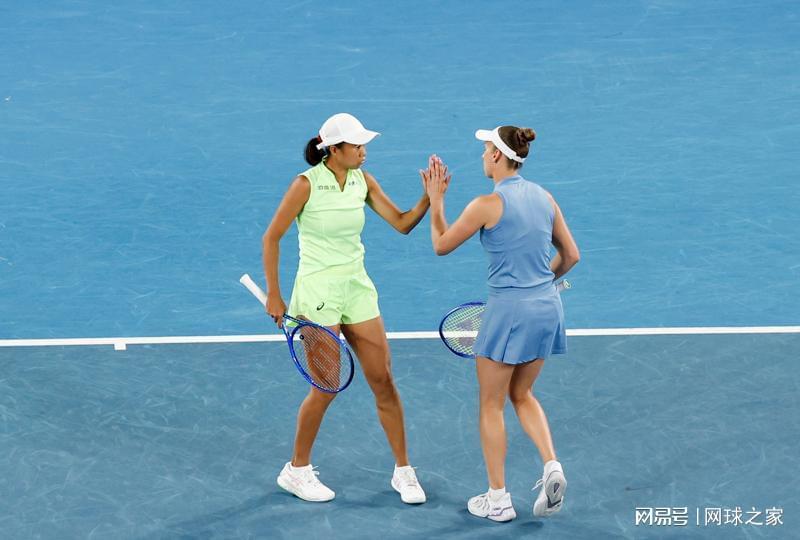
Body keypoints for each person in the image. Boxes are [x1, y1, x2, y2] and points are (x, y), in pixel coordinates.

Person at [262, 113, 429, 504]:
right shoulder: (305, 185)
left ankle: (404, 471)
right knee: (326, 388)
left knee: (383, 379)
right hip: (318, 292)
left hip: (357, 288)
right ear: (334, 150)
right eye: (356, 146)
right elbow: (272, 237)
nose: (364, 151)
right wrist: (275, 294)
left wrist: (428, 199)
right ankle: (296, 470)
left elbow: (402, 223)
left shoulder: (363, 181)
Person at [422, 125, 580, 522]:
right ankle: (552, 465)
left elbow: (440, 245)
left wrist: (436, 201)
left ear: (497, 155)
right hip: (547, 308)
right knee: (522, 394)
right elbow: (571, 256)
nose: (481, 155)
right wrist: (539, 285)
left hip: (508, 313)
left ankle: (498, 499)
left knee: (491, 406)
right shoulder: (545, 197)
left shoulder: (485, 205)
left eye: (485, 149)